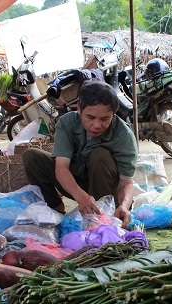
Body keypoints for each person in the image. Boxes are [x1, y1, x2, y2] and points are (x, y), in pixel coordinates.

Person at [23, 81, 138, 228]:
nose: (97, 125)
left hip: (105, 188)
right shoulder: (67, 123)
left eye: (105, 119)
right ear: (79, 109)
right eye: (90, 117)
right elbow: (61, 168)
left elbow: (126, 183)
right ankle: (55, 208)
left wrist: (124, 206)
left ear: (113, 115)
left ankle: (99, 216)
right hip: (75, 183)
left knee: (100, 155)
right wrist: (81, 197)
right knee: (32, 156)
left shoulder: (124, 136)